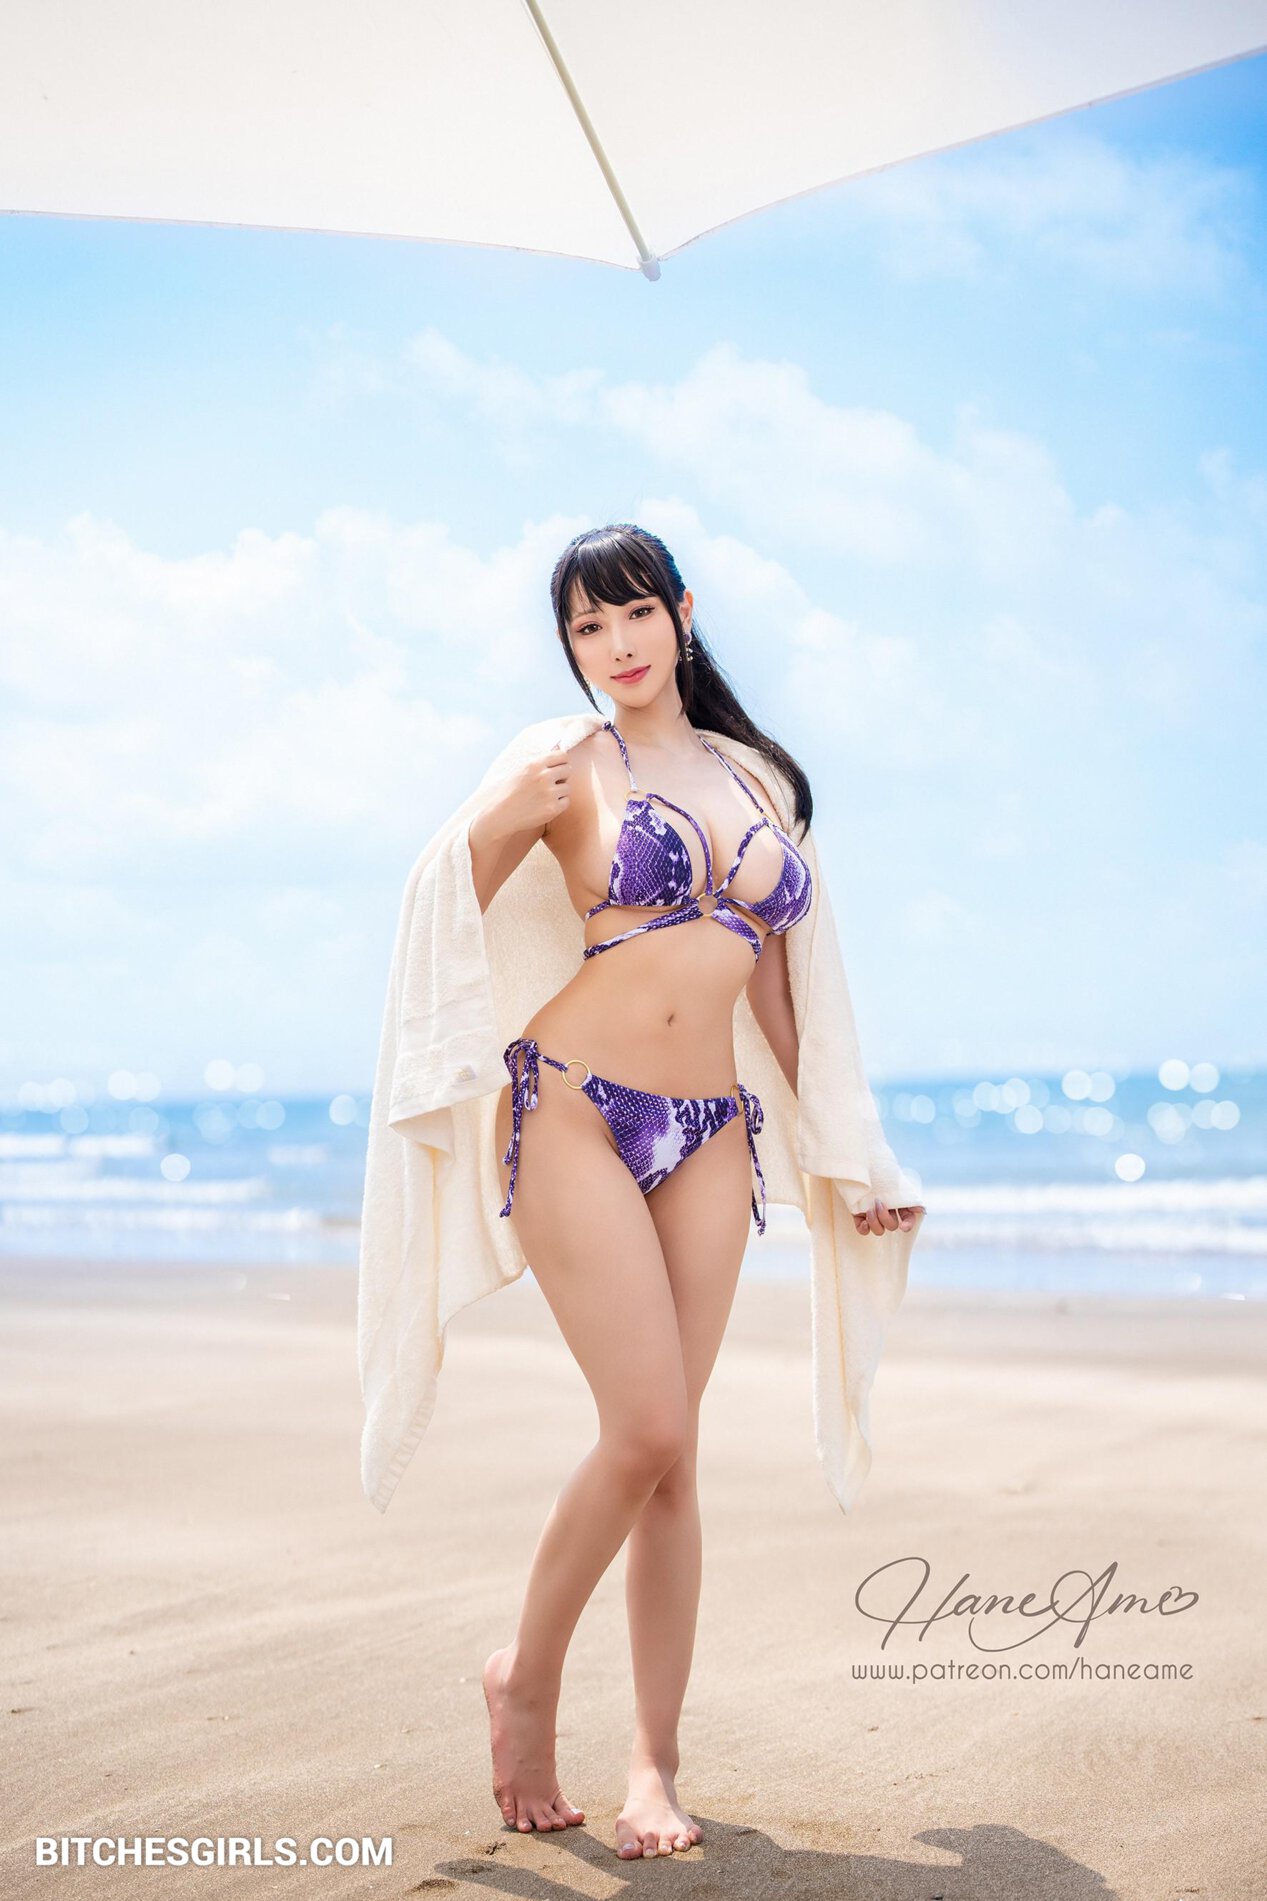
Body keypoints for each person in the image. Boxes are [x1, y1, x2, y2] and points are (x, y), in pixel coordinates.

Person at [462, 523, 924, 1859]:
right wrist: (497, 816)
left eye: (634, 613)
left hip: (711, 1131)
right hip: (575, 1110)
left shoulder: (754, 777)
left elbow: (786, 989)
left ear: (679, 611)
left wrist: (850, 1153)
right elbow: (447, 912)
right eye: (587, 626)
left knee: (675, 1460)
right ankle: (525, 1677)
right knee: (646, 1425)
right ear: (570, 646)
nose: (616, 644)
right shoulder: (564, 766)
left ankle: (654, 1767)